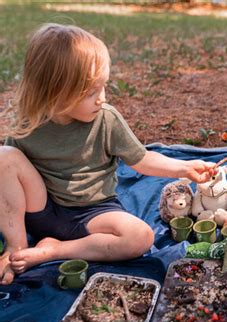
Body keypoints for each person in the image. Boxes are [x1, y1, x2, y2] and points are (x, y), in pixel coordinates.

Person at [0, 23, 215, 285]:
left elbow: (143, 159)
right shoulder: (29, 123)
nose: (101, 98)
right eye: (91, 92)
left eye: (103, 87)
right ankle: (17, 249)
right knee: (4, 156)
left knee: (140, 236)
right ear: (55, 90)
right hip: (42, 209)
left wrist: (184, 168)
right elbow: (9, 179)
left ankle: (52, 250)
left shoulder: (105, 119)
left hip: (94, 213)